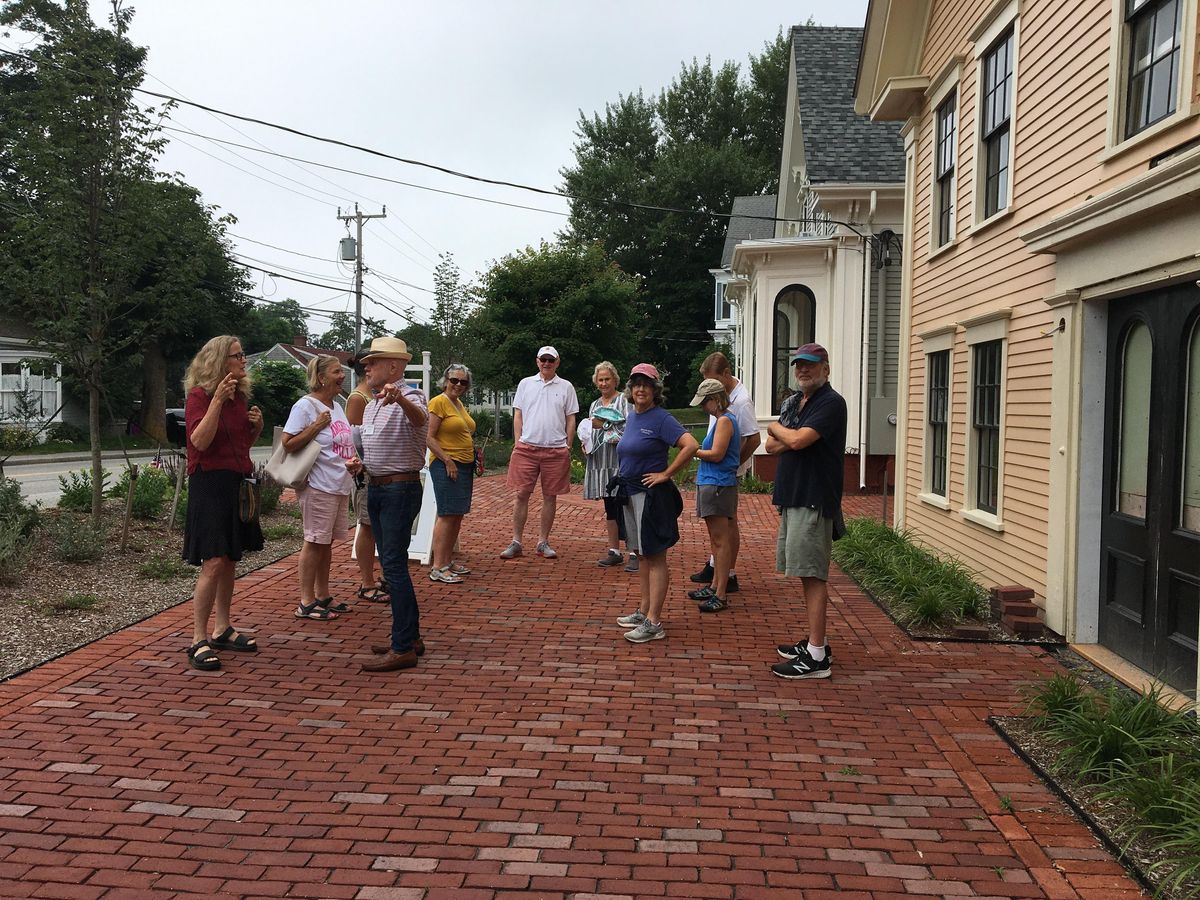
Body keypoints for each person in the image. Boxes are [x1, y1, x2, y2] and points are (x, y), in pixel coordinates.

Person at [180, 335, 264, 672]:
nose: (244, 360)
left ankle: (222, 628)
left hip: (236, 482)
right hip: (209, 483)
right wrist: (216, 401)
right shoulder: (200, 396)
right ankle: (197, 638)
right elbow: (199, 440)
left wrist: (254, 429)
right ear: (218, 361)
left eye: (243, 354)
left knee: (230, 558)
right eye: (237, 355)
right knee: (213, 561)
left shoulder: (239, 398)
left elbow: (240, 445)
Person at [765, 343, 847, 679]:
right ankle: (817, 643)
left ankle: (817, 659)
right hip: (795, 496)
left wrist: (782, 431)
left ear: (825, 369)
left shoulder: (831, 403)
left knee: (814, 575)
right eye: (799, 365)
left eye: (811, 365)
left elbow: (794, 441)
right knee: (804, 571)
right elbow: (772, 446)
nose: (803, 371)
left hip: (813, 498)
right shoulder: (800, 403)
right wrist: (789, 434)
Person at [355, 337, 429, 673]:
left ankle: (402, 647)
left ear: (394, 367)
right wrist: (360, 464)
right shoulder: (371, 404)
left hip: (400, 489)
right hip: (379, 488)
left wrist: (400, 400)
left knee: (394, 567)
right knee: (392, 565)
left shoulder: (410, 395)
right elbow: (370, 448)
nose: (366, 367)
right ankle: (409, 638)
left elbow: (419, 419)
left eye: (373, 362)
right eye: (367, 363)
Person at [613, 363, 699, 643]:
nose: (640, 389)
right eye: (636, 384)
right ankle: (644, 610)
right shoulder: (633, 416)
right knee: (642, 555)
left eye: (646, 385)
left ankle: (654, 622)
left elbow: (690, 445)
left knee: (656, 555)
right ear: (630, 389)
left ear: (655, 390)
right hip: (630, 492)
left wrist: (666, 474)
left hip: (650, 495)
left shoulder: (661, 418)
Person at [282, 355, 362, 620]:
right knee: (314, 541)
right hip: (317, 486)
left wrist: (353, 461)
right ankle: (306, 601)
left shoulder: (336, 406)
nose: (343, 376)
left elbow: (341, 443)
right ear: (321, 377)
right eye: (337, 372)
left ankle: (323, 595)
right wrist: (316, 426)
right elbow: (288, 443)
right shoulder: (305, 406)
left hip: (338, 484)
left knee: (325, 542)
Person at [689, 351, 760, 594]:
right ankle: (716, 572)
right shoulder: (722, 411)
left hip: (723, 476)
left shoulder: (740, 402)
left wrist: (732, 464)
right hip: (718, 474)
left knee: (726, 528)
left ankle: (725, 577)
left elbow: (754, 439)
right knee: (720, 530)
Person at [500, 345, 578, 560]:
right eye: (543, 359)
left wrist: (568, 444)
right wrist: (517, 442)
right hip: (527, 448)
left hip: (555, 449)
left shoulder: (566, 387)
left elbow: (571, 417)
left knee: (550, 497)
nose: (546, 363)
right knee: (521, 494)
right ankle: (516, 542)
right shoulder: (526, 384)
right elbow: (518, 414)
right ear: (537, 361)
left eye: (550, 360)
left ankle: (543, 542)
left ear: (557, 362)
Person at [688, 378, 740, 613]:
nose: (702, 407)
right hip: (713, 484)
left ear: (716, 400)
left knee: (721, 541)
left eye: (705, 402)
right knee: (716, 540)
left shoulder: (726, 421)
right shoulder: (721, 420)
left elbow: (717, 454)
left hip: (718, 484)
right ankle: (714, 585)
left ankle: (720, 592)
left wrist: (693, 450)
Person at [426, 363, 476, 583]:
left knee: (457, 514)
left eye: (463, 382)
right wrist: (447, 460)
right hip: (447, 463)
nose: (458, 385)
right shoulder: (438, 402)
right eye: (454, 380)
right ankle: (437, 566)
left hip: (464, 464)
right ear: (445, 380)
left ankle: (447, 561)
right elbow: (428, 437)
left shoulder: (458, 403)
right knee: (446, 514)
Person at [583, 361, 635, 570]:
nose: (604, 383)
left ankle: (634, 551)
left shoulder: (624, 400)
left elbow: (629, 427)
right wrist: (585, 443)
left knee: (626, 505)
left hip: (620, 461)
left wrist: (603, 425)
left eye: (607, 379)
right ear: (596, 382)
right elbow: (590, 431)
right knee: (610, 507)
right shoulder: (594, 405)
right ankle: (614, 550)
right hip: (600, 461)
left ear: (615, 380)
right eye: (600, 380)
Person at [346, 359, 387, 603]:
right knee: (367, 524)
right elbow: (353, 438)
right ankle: (366, 581)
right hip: (364, 472)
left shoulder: (374, 394)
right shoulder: (358, 398)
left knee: (378, 525)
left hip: (378, 470)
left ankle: (381, 577)